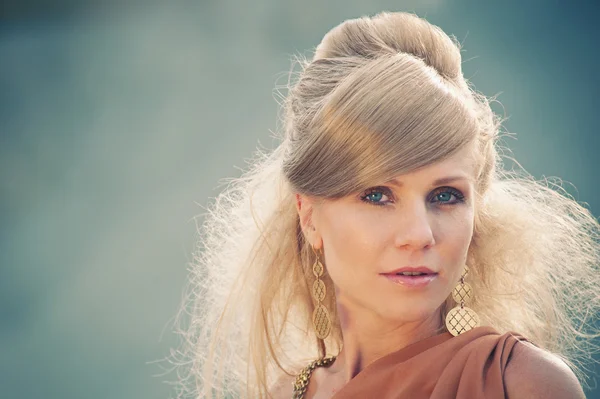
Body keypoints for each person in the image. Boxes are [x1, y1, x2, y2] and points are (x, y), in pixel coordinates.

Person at [171, 11, 599, 399]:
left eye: (445, 196)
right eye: (377, 195)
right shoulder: (286, 395)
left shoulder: (520, 384)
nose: (419, 234)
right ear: (309, 217)